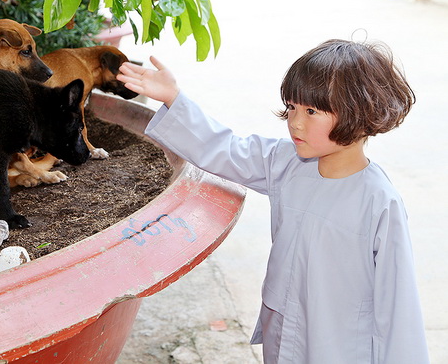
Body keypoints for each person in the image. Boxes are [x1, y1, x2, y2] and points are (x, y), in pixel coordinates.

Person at [117, 39, 429, 363]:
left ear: (359, 113)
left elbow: (398, 307)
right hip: (282, 334)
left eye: (311, 111)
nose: (295, 121)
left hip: (339, 347)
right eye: (292, 106)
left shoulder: (378, 202)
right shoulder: (286, 161)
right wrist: (173, 98)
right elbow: (223, 149)